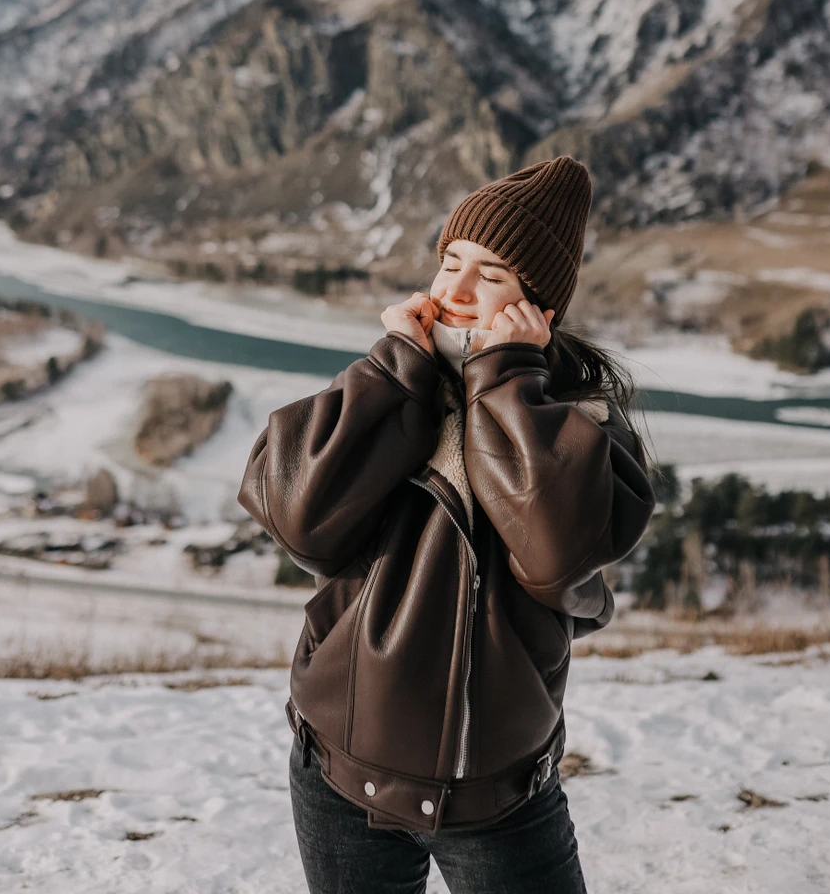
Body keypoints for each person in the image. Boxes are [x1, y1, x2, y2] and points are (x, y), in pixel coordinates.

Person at [238, 155, 656, 893]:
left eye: (490, 274)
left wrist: (507, 377)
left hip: (498, 796)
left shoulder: (581, 422)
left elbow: (555, 554)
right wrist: (393, 368)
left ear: (537, 305)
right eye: (450, 262)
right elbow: (300, 520)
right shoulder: (394, 382)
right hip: (337, 772)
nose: (455, 290)